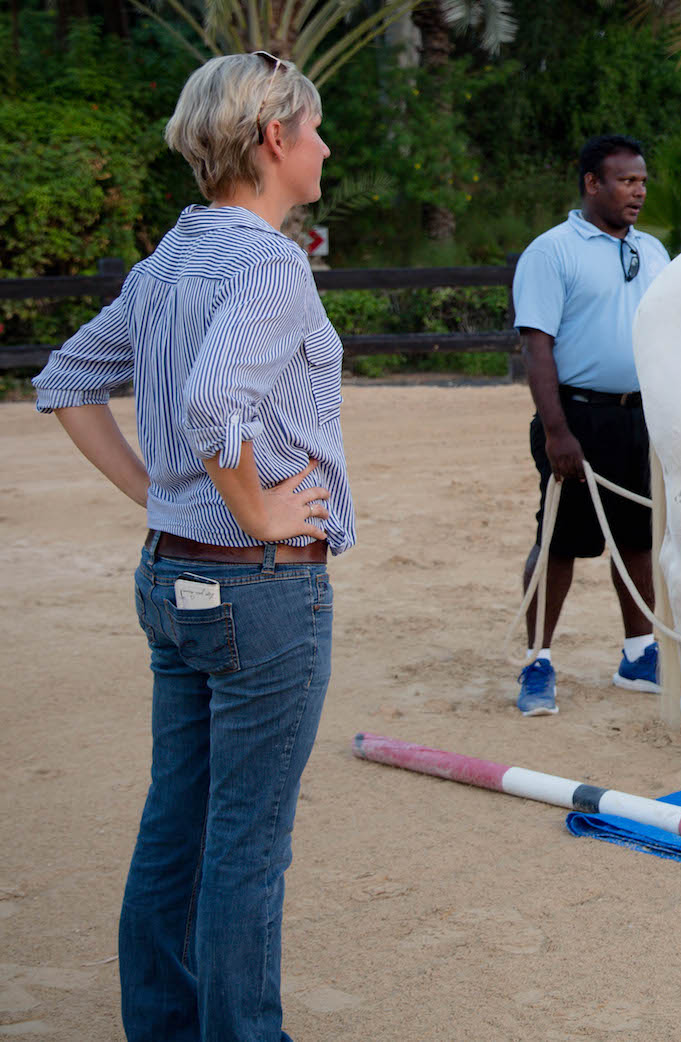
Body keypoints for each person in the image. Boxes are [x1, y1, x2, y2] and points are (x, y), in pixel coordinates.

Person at [32, 51, 350, 1040]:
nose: (326, 145)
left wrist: (156, 492)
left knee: (179, 820)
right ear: (273, 141)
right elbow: (216, 401)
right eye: (315, 128)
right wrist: (255, 510)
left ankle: (164, 1024)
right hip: (258, 586)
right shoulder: (267, 262)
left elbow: (64, 381)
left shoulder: (166, 260)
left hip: (172, 577)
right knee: (248, 841)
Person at [511, 134, 672, 716]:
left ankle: (638, 654)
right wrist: (557, 432)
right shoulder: (551, 252)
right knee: (559, 541)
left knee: (637, 539)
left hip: (642, 418)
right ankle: (537, 662)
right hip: (576, 417)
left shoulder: (654, 252)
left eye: (643, 181)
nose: (639, 191)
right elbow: (537, 347)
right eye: (627, 181)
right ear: (592, 184)